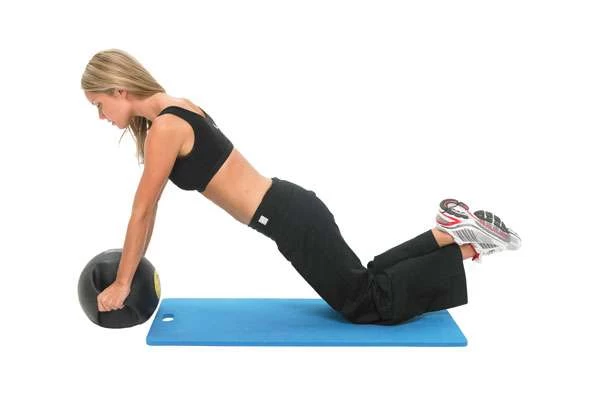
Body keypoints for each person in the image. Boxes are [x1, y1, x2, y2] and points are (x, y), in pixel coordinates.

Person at [81, 49, 521, 324]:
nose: (101, 117)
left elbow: (143, 211)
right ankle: (448, 232)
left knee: (364, 303)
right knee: (368, 279)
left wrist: (122, 283)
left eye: (99, 105)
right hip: (290, 209)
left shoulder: (165, 128)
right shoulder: (179, 106)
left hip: (289, 219)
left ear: (119, 90)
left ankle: (466, 245)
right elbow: (150, 209)